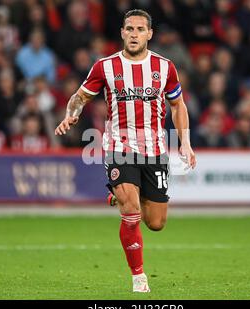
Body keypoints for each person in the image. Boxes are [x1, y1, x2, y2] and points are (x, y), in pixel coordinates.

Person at [54, 9, 196, 293]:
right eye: (129, 29)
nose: (134, 34)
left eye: (140, 29)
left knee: (156, 223)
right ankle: (138, 277)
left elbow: (177, 106)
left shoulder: (165, 67)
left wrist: (186, 142)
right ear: (121, 32)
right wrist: (71, 114)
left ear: (149, 34)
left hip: (155, 150)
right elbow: (79, 97)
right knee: (130, 211)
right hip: (119, 147)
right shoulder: (105, 66)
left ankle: (118, 191)